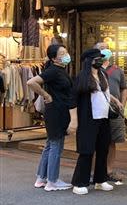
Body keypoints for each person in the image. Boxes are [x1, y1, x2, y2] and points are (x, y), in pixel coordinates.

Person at [70, 48, 119, 195]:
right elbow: (73, 100)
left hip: (104, 117)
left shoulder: (103, 74)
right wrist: (74, 120)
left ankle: (100, 179)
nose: (100, 60)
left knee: (103, 149)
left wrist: (116, 103)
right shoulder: (82, 77)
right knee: (87, 150)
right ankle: (79, 182)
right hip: (88, 118)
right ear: (89, 60)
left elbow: (106, 94)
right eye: (97, 58)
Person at [27, 44, 75, 191]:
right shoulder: (53, 71)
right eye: (62, 53)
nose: (66, 54)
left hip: (56, 112)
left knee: (50, 145)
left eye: (66, 51)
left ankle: (41, 178)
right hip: (56, 112)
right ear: (54, 58)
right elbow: (31, 82)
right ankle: (52, 181)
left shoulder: (59, 70)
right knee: (56, 146)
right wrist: (46, 95)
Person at [95, 41, 127, 186]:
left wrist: (123, 105)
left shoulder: (117, 70)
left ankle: (108, 171)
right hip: (98, 110)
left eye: (106, 48)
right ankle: (96, 172)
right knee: (97, 141)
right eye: (101, 49)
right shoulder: (93, 70)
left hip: (114, 111)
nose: (104, 51)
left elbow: (123, 88)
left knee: (112, 141)